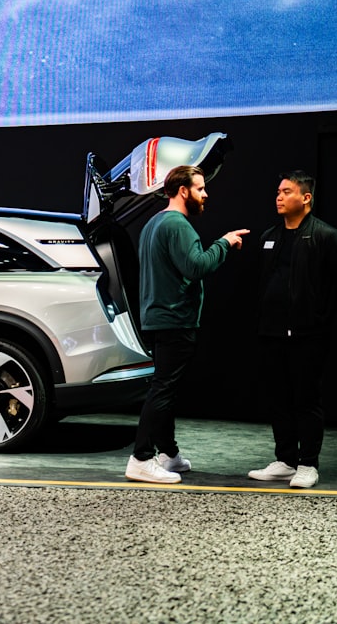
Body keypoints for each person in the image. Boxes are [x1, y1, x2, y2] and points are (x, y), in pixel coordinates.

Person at [125, 165, 250, 484]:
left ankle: (167, 453)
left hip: (156, 318)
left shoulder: (154, 223)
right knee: (163, 389)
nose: (205, 194)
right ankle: (141, 458)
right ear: (184, 191)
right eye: (200, 188)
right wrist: (224, 243)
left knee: (165, 387)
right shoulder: (177, 224)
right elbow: (196, 267)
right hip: (174, 320)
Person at [247, 170, 337, 489]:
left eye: (287, 191)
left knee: (306, 399)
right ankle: (285, 460)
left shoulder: (326, 236)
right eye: (278, 191)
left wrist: (318, 317)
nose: (278, 196)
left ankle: (308, 464)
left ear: (306, 198)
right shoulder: (270, 236)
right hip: (271, 333)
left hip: (308, 336)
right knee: (277, 398)